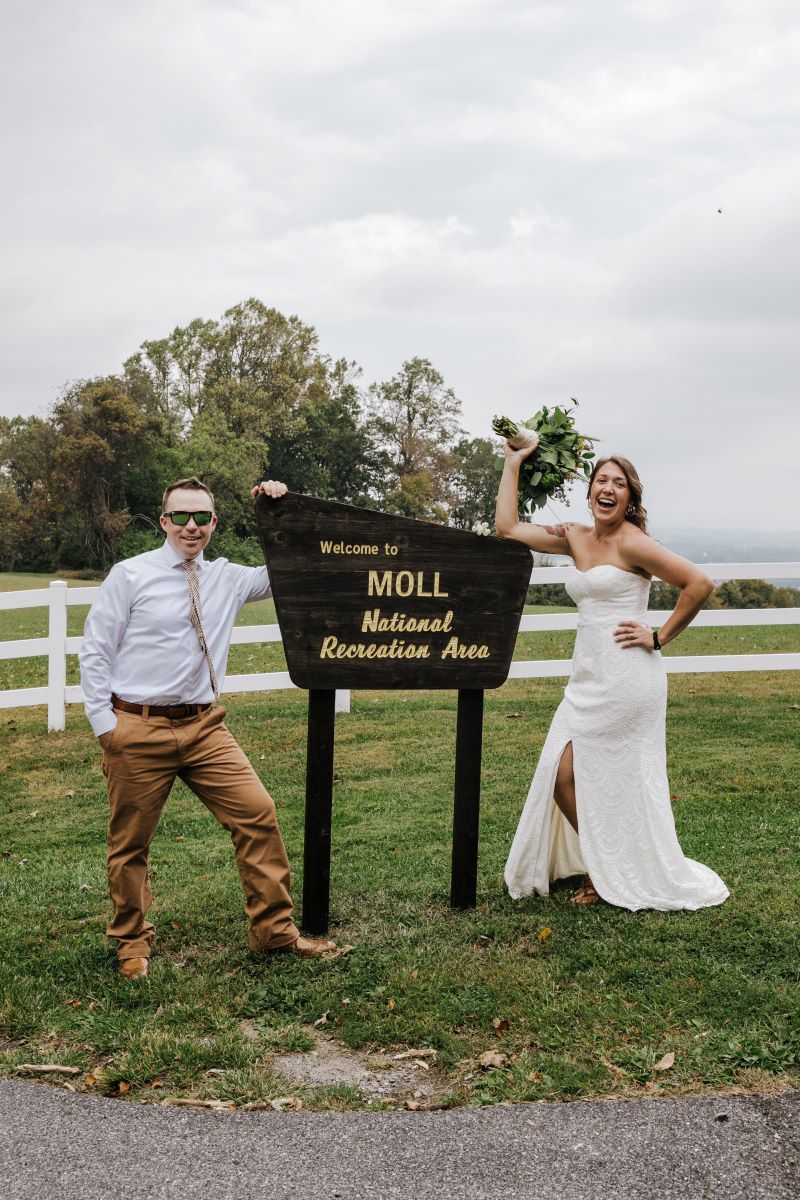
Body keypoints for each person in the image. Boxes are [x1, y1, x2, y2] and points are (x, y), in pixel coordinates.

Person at [79, 475, 336, 979]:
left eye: (201, 517)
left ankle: (274, 933)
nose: (190, 527)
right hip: (137, 727)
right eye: (180, 516)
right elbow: (95, 651)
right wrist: (105, 725)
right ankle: (131, 942)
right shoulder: (130, 575)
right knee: (130, 843)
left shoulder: (229, 578)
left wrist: (278, 508)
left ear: (214, 523)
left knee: (257, 813)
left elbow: (291, 563)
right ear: (164, 521)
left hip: (204, 728)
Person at [496, 440, 729, 911]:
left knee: (594, 775)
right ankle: (607, 864)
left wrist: (659, 636)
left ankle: (602, 872)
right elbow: (508, 528)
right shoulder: (576, 536)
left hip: (628, 679)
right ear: (590, 492)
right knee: (563, 775)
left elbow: (698, 584)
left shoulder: (633, 542)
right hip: (586, 679)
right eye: (601, 480)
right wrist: (513, 461)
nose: (608, 488)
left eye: (618, 484)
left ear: (630, 499)